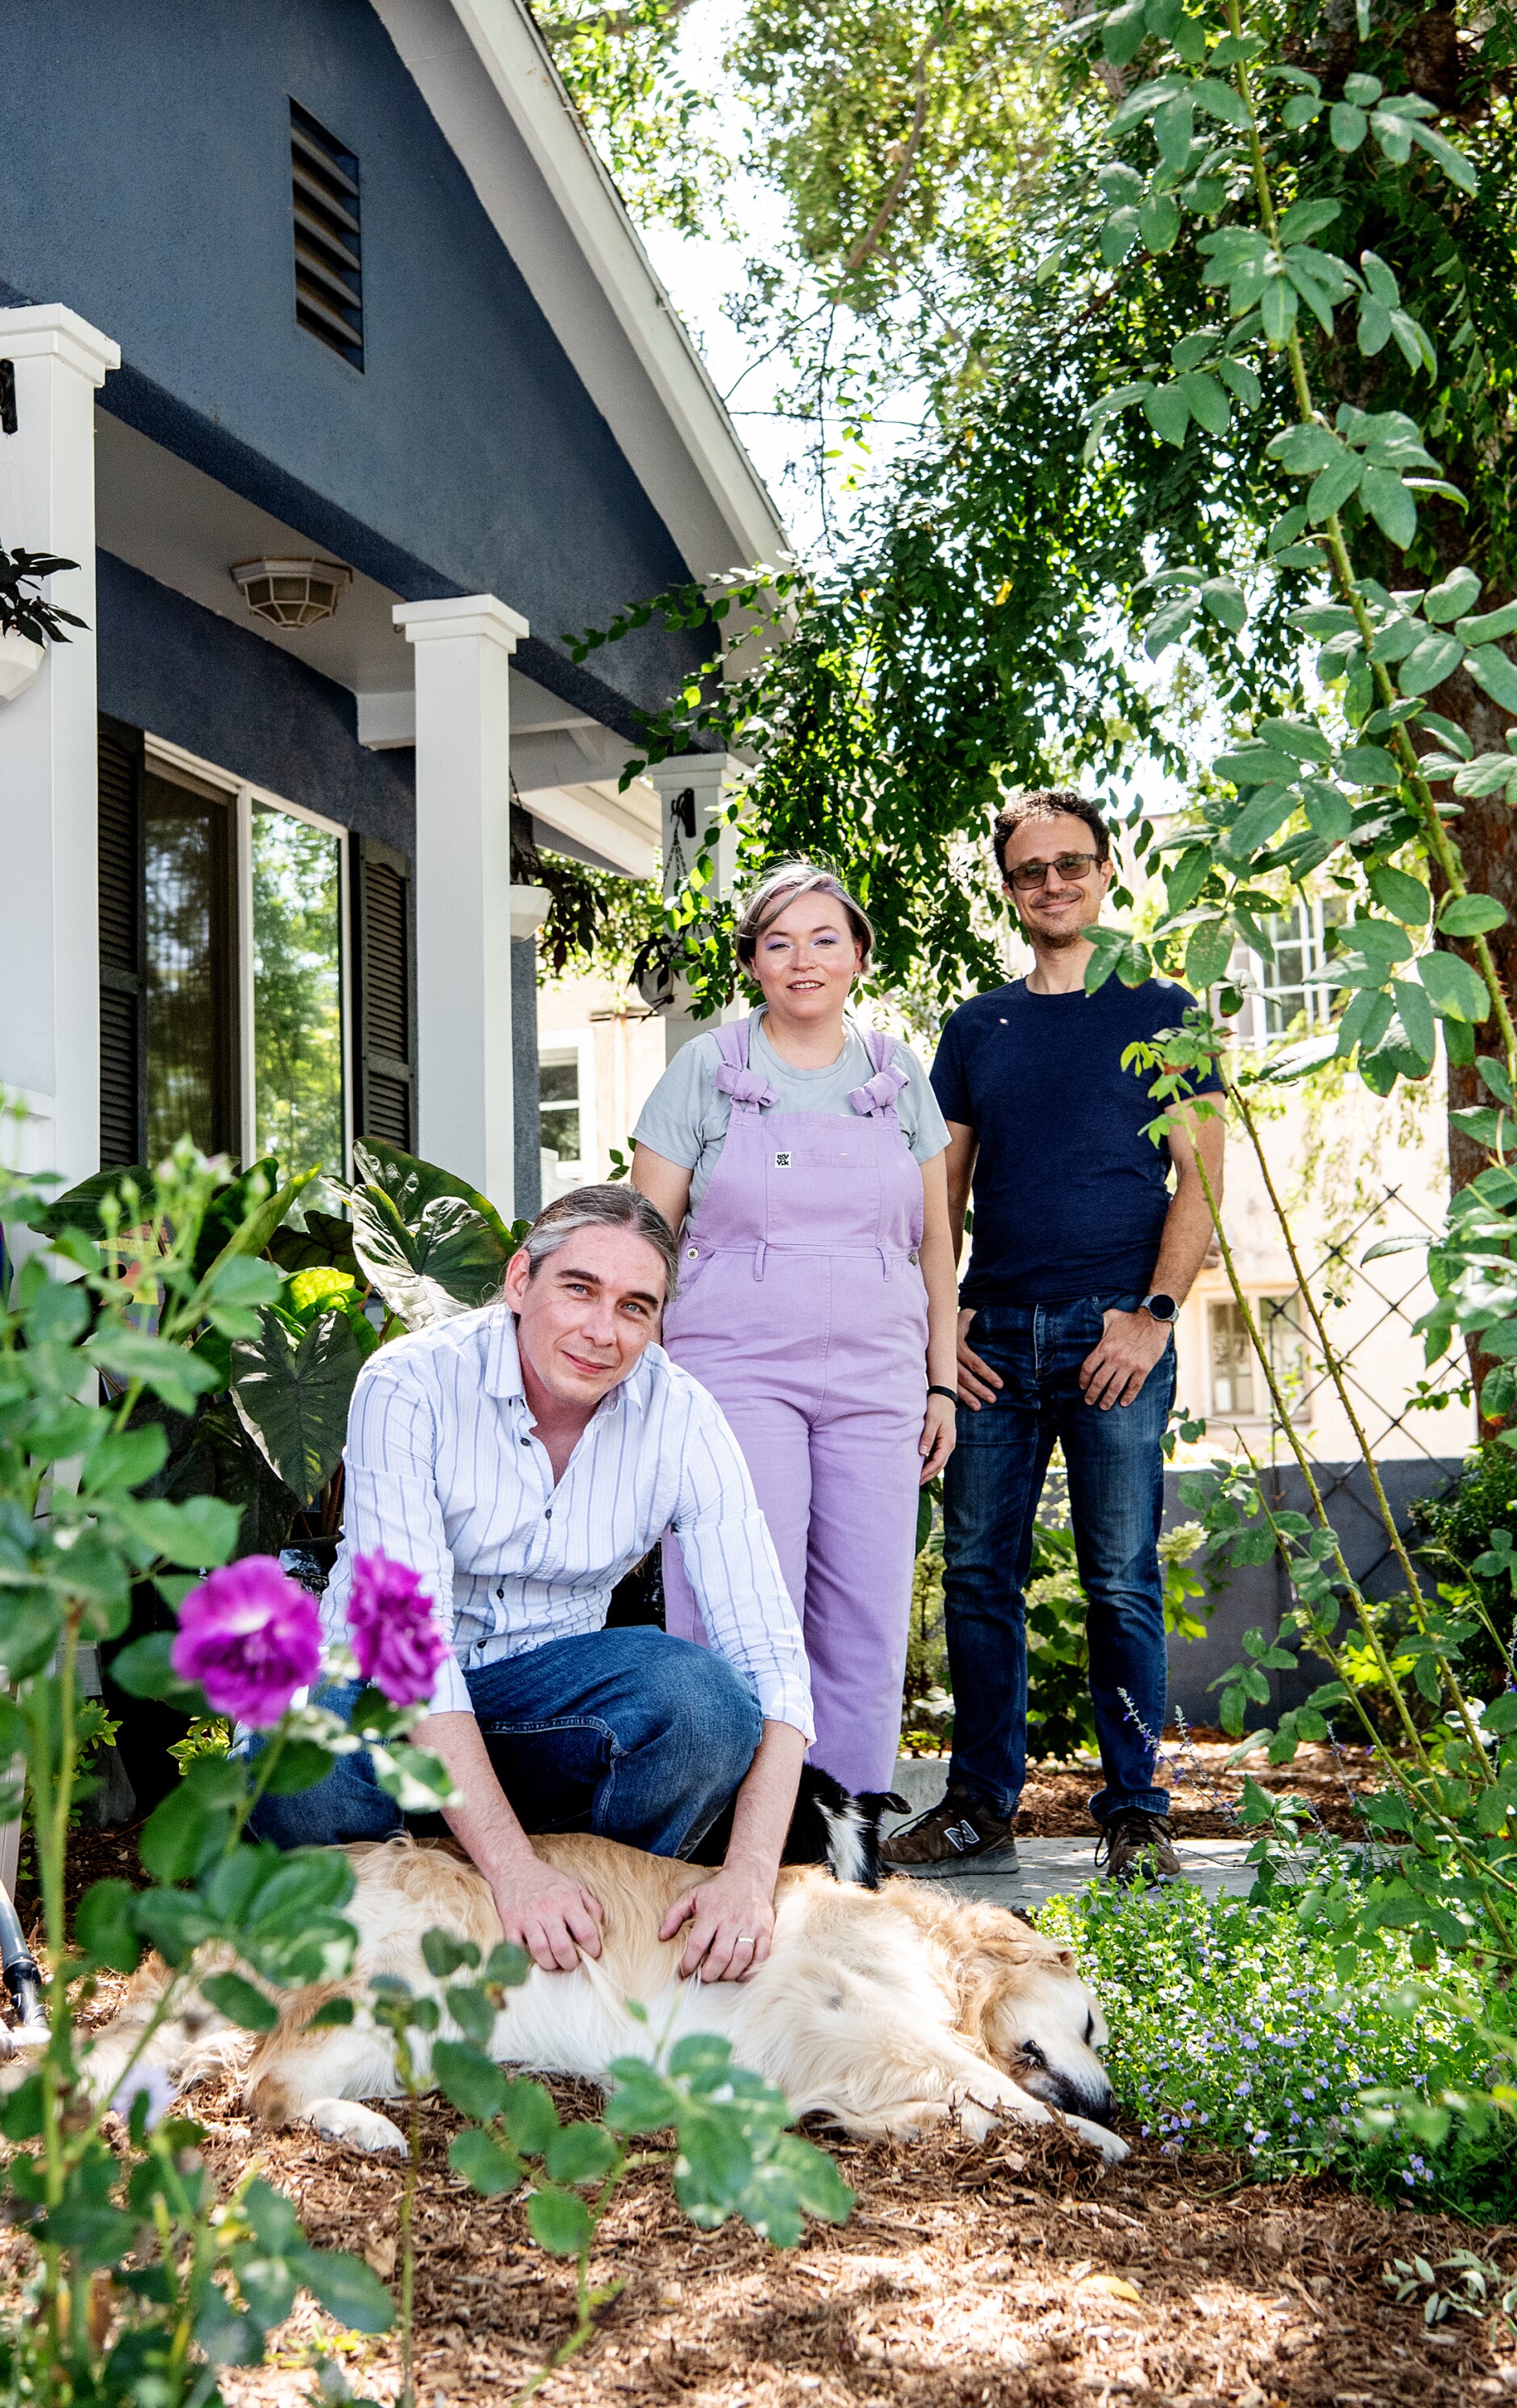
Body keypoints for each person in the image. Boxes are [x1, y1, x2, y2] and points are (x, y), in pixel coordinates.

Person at [250, 1184, 813, 1986]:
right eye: (578, 1289)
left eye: (634, 1307)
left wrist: (750, 1878)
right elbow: (411, 1653)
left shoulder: (681, 1416)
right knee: (293, 1748)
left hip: (544, 1724)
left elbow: (770, 1660)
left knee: (705, 1703)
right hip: (378, 1711)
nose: (600, 1330)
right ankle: (358, 1938)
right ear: (519, 1283)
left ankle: (597, 1932)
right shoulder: (410, 1383)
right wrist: (512, 1870)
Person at [881, 791, 1225, 1888]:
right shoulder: (979, 1029)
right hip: (995, 1348)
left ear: (1106, 870)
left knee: (1120, 1577)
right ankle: (983, 1804)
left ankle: (1134, 1811)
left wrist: (1154, 1317)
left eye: (1071, 864)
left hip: (1114, 1339)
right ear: (1011, 889)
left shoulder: (1167, 1009)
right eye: (1031, 871)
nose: (1053, 884)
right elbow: (941, 1194)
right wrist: (949, 1324)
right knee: (979, 1575)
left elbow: (1204, 1183)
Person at [630, 862, 958, 1795]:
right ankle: (729, 1822)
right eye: (777, 942)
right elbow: (644, 1241)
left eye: (823, 939)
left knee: (865, 1610)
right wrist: (650, 1388)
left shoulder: (898, 1075)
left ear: (857, 955)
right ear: (753, 965)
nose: (801, 959)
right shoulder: (707, 1068)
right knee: (739, 1598)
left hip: (878, 1379)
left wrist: (939, 1385)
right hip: (735, 1373)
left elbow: (936, 1252)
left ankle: (845, 1830)